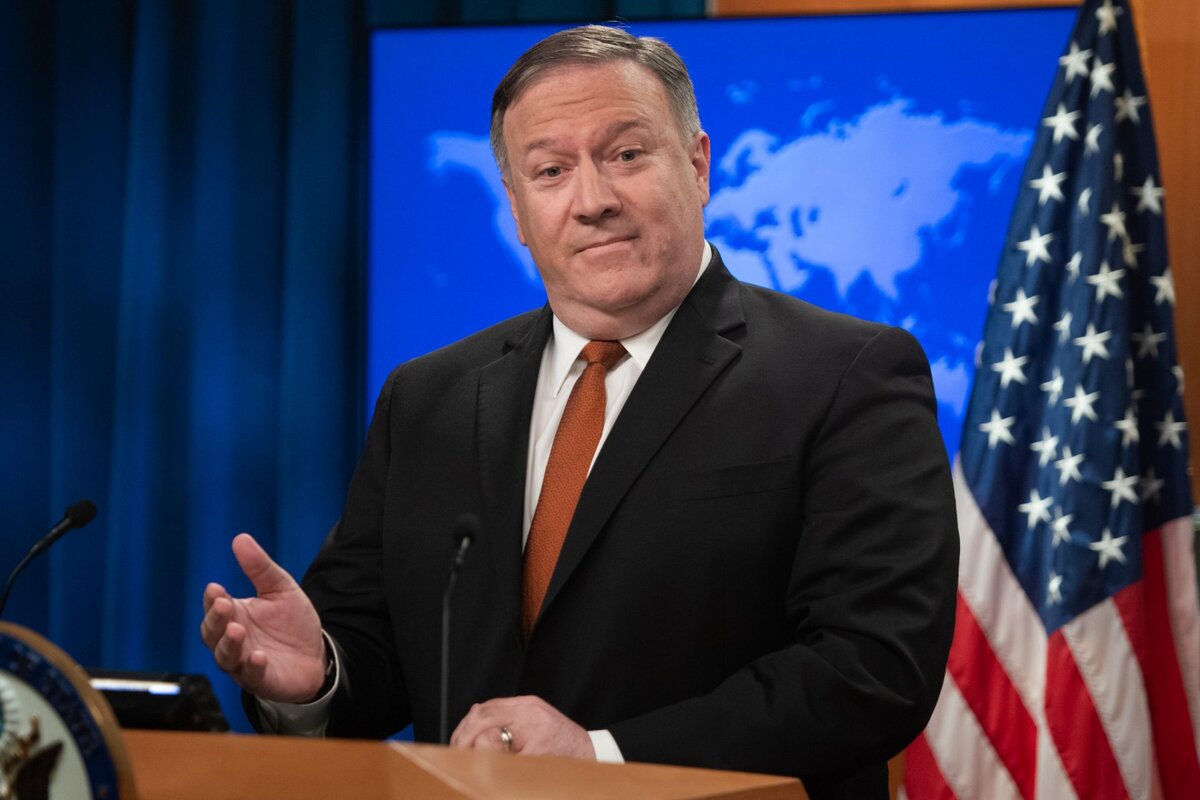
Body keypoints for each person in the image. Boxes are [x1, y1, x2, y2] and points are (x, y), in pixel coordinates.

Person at [200, 24, 958, 798]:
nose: (592, 201)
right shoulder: (426, 398)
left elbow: (873, 667)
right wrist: (316, 677)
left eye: (626, 154)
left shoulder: (846, 375)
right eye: (551, 170)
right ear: (517, 208)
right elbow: (383, 654)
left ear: (698, 165)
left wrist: (602, 755)